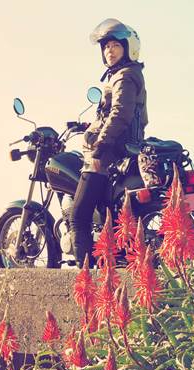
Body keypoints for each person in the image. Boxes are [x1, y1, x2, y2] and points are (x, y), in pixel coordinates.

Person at [70, 18, 148, 268]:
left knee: (78, 216)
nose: (109, 51)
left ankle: (83, 277)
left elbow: (120, 114)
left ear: (128, 48)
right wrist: (90, 128)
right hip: (121, 149)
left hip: (108, 155)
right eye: (105, 47)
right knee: (105, 216)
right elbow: (113, 114)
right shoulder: (125, 75)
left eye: (115, 45)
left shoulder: (125, 76)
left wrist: (99, 145)